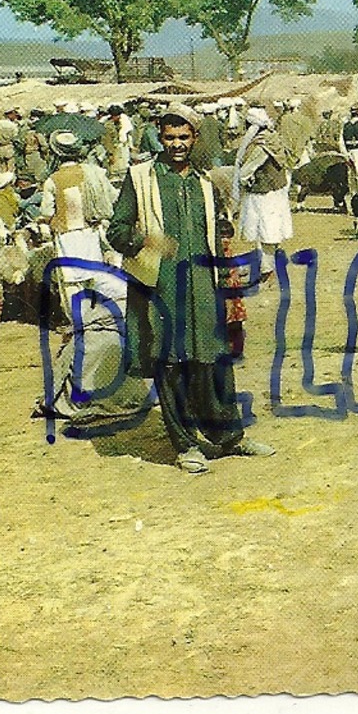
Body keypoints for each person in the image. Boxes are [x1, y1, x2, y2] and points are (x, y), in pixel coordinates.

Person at [106, 104, 274, 475]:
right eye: (170, 137)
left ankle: (230, 438)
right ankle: (185, 445)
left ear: (194, 138)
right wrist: (144, 239)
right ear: (159, 138)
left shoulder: (204, 183)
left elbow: (217, 237)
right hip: (160, 291)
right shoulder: (140, 178)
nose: (177, 144)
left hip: (203, 290)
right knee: (172, 367)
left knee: (213, 365)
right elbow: (115, 231)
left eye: (184, 137)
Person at [39, 130, 120, 315]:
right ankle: (97, 316)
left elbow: (46, 212)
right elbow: (112, 196)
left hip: (66, 236)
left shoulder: (53, 180)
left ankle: (78, 321)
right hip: (92, 232)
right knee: (94, 275)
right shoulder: (93, 173)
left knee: (70, 280)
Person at [233, 106, 295, 271]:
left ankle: (267, 269)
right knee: (268, 231)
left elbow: (247, 170)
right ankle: (265, 265)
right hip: (275, 190)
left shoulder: (261, 144)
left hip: (264, 192)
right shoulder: (273, 138)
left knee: (265, 231)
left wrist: (242, 181)